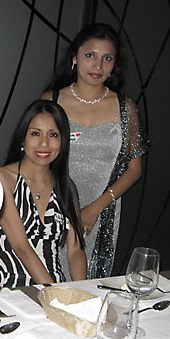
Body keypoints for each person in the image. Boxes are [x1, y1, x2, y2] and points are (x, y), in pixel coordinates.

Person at [42, 23, 150, 278]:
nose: (98, 66)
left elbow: (135, 169)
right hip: (53, 205)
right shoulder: (51, 100)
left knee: (89, 283)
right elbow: (35, 160)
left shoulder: (125, 107)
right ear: (75, 57)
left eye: (107, 58)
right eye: (90, 55)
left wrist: (95, 208)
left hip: (103, 211)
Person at [0, 100, 86, 287]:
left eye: (53, 134)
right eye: (35, 133)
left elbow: (76, 250)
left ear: (63, 142)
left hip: (55, 286)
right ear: (23, 138)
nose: (44, 143)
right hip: (9, 290)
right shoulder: (1, 179)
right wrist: (54, 294)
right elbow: (21, 247)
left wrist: (81, 291)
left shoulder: (65, 186)